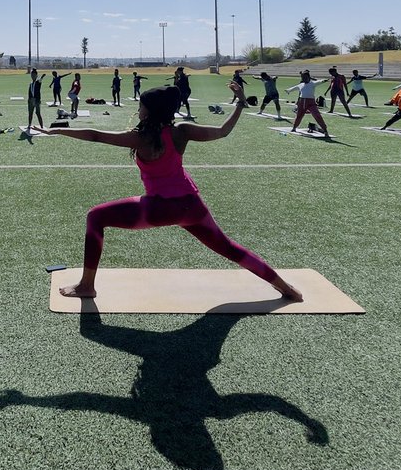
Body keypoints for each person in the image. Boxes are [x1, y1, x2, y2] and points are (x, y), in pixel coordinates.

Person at [40, 82, 302, 302]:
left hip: (159, 208)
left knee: (96, 217)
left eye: (141, 106)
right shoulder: (182, 131)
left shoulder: (141, 137)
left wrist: (58, 130)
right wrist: (240, 104)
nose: (138, 109)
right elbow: (223, 132)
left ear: (150, 111)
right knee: (229, 248)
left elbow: (96, 136)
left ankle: (87, 285)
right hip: (192, 207)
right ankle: (286, 288)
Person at [286, 71, 329, 137]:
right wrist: (288, 90)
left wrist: (324, 80)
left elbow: (319, 82)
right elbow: (295, 88)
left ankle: (325, 130)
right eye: (302, 77)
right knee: (299, 116)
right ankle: (294, 128)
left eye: (305, 77)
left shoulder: (312, 83)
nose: (303, 79)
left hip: (311, 102)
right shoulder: (301, 84)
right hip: (302, 102)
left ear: (309, 77)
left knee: (317, 115)